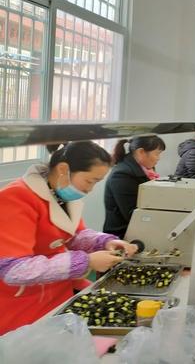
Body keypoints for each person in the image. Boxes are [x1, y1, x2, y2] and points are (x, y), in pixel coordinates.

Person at [0, 142, 138, 335]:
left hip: (56, 294)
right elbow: (14, 269)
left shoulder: (59, 195)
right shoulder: (15, 198)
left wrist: (105, 241)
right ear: (63, 169)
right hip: (22, 304)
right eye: (89, 181)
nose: (90, 190)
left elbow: (74, 236)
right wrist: (86, 262)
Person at [104, 135, 166, 239]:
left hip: (139, 228)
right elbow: (132, 214)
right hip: (122, 235)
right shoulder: (122, 175)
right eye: (157, 153)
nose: (158, 158)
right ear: (141, 152)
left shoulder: (145, 170)